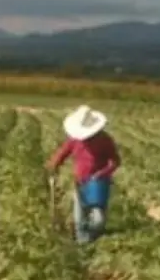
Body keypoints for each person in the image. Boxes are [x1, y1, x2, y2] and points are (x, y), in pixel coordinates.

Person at [45, 104, 120, 243]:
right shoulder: (75, 141)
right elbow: (62, 153)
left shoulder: (105, 140)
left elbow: (115, 161)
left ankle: (92, 234)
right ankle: (82, 244)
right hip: (79, 182)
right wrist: (54, 165)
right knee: (79, 217)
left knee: (98, 219)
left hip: (98, 184)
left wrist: (103, 173)